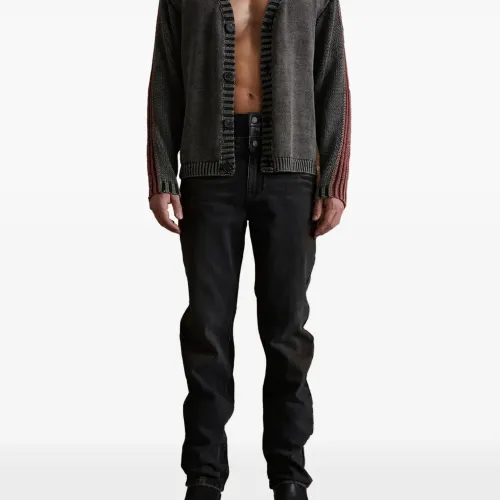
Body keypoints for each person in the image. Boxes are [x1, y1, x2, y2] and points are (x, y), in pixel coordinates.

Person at [146, 0, 351, 498]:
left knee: (287, 329)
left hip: (292, 169)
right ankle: (204, 476)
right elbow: (165, 79)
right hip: (207, 169)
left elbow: (332, 80)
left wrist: (334, 181)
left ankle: (288, 475)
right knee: (206, 326)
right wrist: (161, 173)